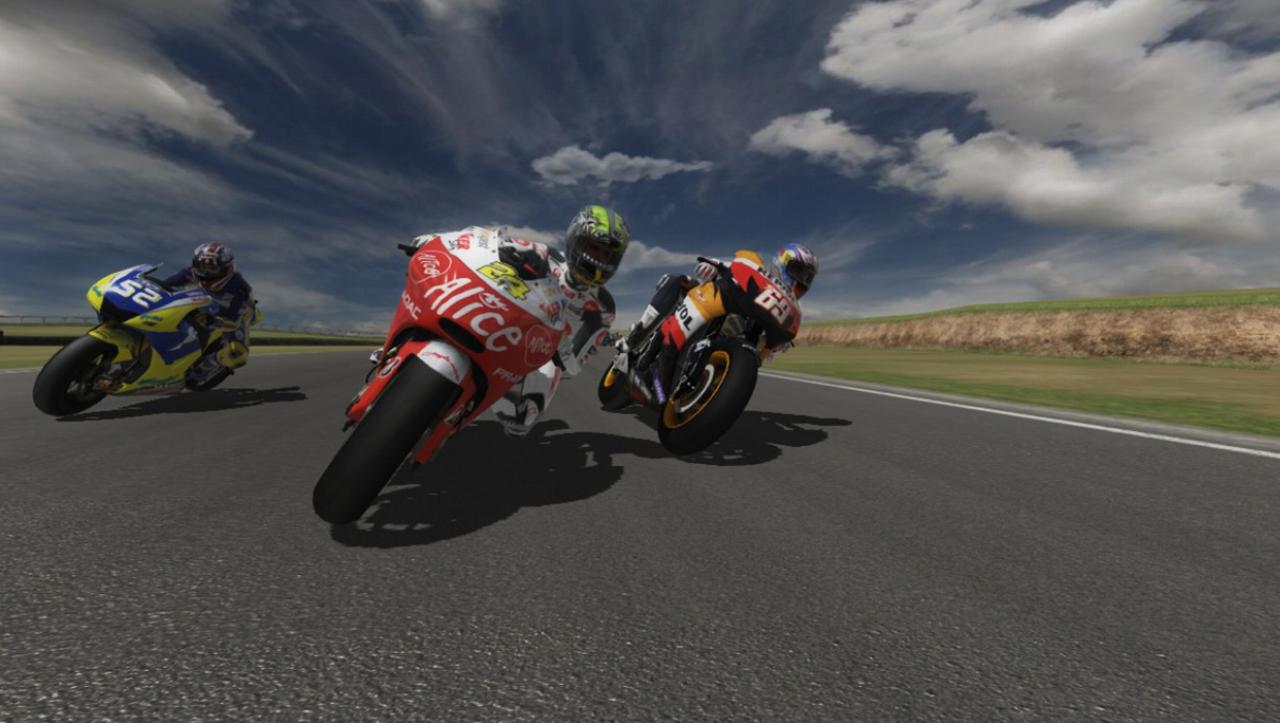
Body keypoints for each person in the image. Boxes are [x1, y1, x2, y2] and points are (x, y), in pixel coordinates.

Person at [410, 205, 630, 437]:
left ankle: (464, 408)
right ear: (576, 240)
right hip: (500, 318)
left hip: (537, 351)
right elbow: (485, 241)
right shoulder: (544, 254)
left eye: (607, 254)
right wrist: (438, 240)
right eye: (594, 247)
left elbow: (573, 365)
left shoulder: (604, 308)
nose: (599, 258)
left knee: (522, 418)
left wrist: (560, 348)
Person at [620, 243, 818, 397]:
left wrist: (773, 347)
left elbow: (761, 357)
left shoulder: (787, 316)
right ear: (780, 263)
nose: (801, 280)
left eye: (807, 277)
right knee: (678, 280)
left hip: (725, 347)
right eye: (797, 270)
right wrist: (713, 267)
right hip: (710, 302)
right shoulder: (757, 267)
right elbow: (733, 266)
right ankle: (639, 336)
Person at [164, 242, 256, 372]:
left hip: (235, 314)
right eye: (202, 266)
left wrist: (216, 322)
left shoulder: (239, 288)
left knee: (238, 355)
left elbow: (233, 321)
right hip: (205, 304)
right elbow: (165, 285)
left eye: (213, 268)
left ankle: (207, 367)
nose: (206, 273)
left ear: (226, 269)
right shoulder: (190, 272)